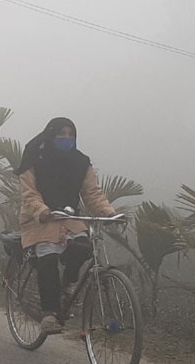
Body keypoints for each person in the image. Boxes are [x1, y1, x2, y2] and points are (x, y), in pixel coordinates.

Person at [15, 117, 118, 334]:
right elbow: (29, 193)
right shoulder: (35, 158)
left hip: (70, 218)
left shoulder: (81, 162)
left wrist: (109, 212)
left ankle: (67, 285)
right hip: (39, 219)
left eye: (71, 134)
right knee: (48, 256)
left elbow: (91, 193)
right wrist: (41, 210)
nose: (66, 138)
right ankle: (49, 313)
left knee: (83, 248)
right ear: (51, 135)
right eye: (61, 134)